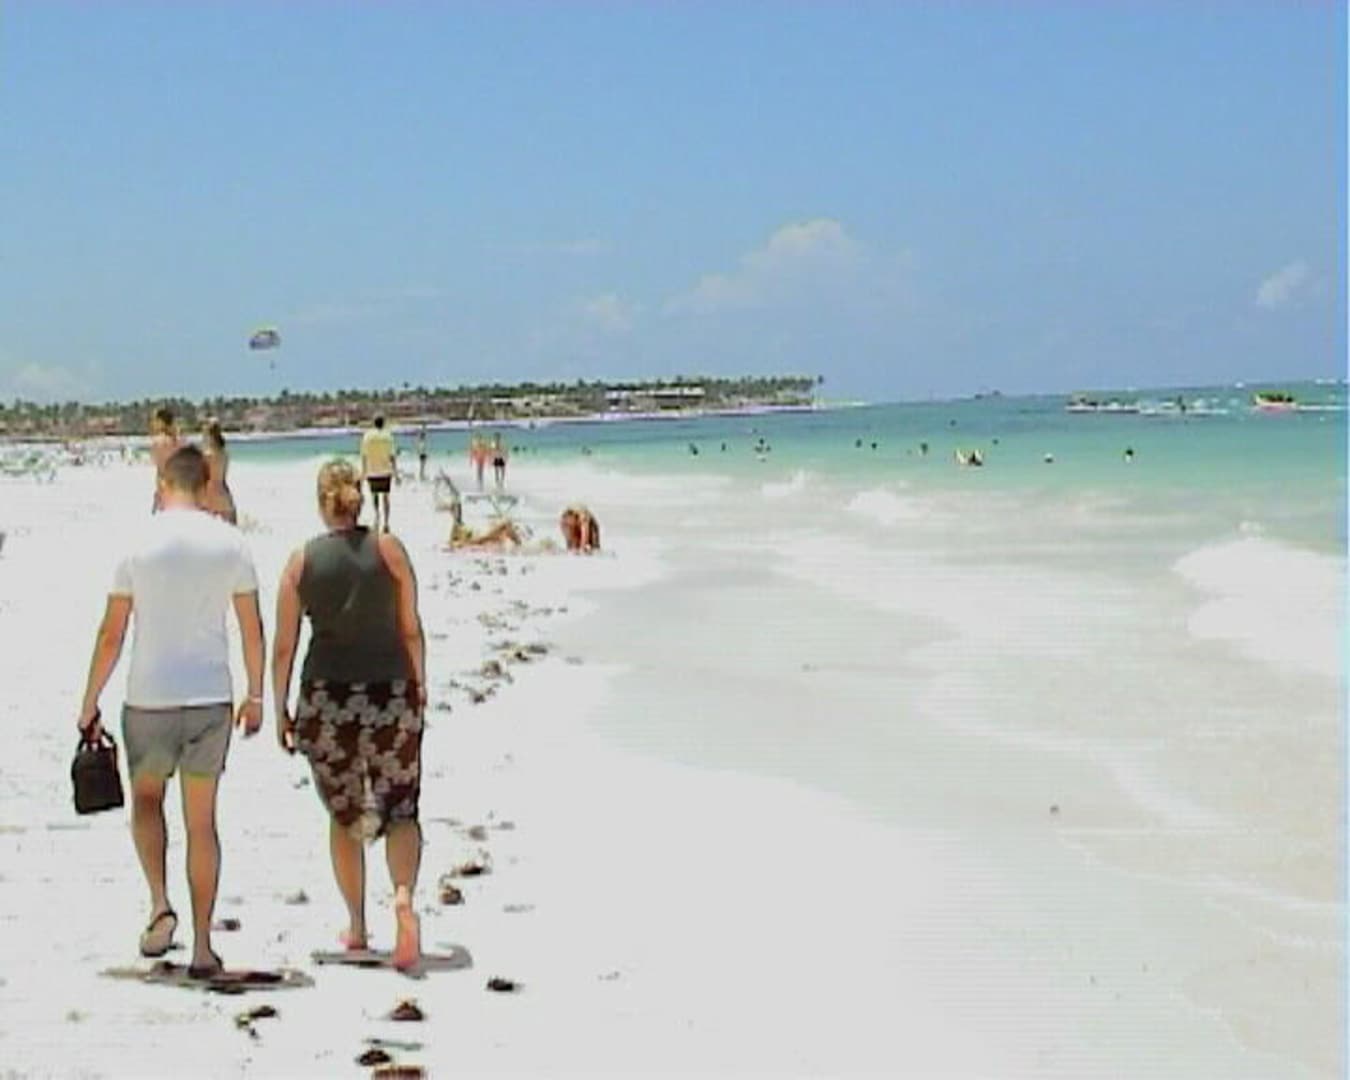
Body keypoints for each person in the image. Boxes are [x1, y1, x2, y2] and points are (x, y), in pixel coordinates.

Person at [76, 446, 265, 979]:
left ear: (162, 484)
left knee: (147, 802)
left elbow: (112, 634)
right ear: (206, 486)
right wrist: (256, 695)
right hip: (209, 699)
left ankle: (160, 904)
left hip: (149, 699)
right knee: (202, 823)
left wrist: (89, 701)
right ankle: (203, 945)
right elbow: (252, 629)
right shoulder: (231, 543)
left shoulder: (136, 542)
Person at [272, 460, 427, 971]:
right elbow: (410, 627)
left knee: (344, 814)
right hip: (390, 693)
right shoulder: (390, 549)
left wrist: (280, 707)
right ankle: (402, 897)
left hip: (327, 699)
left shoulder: (301, 562)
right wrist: (419, 684)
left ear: (322, 503)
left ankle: (358, 925)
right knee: (400, 808)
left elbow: (284, 645)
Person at [359, 416, 397, 533]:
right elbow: (392, 456)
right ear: (383, 423)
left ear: (373, 423)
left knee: (375, 495)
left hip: (372, 470)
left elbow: (364, 455)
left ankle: (377, 515)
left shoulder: (367, 436)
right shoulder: (388, 436)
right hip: (385, 470)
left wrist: (364, 471)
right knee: (386, 496)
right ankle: (386, 522)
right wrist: (395, 471)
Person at [201, 418, 237, 524]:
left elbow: (203, 478)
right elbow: (223, 479)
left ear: (209, 436)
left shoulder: (206, 456)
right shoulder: (225, 454)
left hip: (209, 495)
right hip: (223, 494)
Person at [149, 407, 180, 512]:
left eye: (155, 420)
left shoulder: (158, 441)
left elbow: (155, 460)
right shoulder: (177, 440)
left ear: (161, 422)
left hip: (163, 485)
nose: (153, 423)